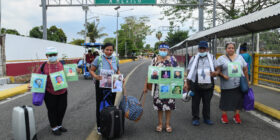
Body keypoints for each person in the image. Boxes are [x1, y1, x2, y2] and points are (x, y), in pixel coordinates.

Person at [28, 47, 68, 136]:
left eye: (54, 54)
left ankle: (59, 124)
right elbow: (37, 78)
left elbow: (67, 75)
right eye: (50, 55)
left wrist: (74, 72)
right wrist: (31, 85)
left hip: (63, 91)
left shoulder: (61, 64)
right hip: (50, 92)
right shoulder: (43, 66)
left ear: (57, 55)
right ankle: (54, 127)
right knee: (52, 110)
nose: (53, 56)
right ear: (47, 56)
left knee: (62, 109)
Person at [143, 43, 179, 133]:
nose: (163, 51)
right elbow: (150, 73)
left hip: (169, 87)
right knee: (159, 107)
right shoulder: (155, 60)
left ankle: (167, 124)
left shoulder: (173, 59)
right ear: (158, 50)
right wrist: (145, 85)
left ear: (168, 51)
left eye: (165, 50)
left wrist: (183, 83)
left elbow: (178, 72)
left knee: (169, 106)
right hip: (158, 88)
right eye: (161, 49)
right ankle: (160, 124)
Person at [89, 43, 121, 135]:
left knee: (111, 104)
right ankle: (100, 125)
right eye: (107, 49)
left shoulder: (115, 59)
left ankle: (109, 122)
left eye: (111, 50)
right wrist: (96, 76)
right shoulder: (98, 59)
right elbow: (91, 70)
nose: (109, 52)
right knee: (100, 105)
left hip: (113, 84)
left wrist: (120, 75)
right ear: (103, 50)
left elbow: (117, 70)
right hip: (101, 85)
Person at [186, 41, 219, 126]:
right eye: (201, 48)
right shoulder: (194, 58)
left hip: (209, 84)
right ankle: (195, 118)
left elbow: (218, 68)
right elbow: (189, 70)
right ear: (198, 49)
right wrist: (187, 83)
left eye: (204, 48)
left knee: (207, 102)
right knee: (195, 102)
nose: (202, 50)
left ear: (207, 49)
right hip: (195, 83)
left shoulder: (212, 57)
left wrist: (216, 73)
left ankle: (207, 118)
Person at [217, 42, 249, 124]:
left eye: (232, 48)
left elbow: (245, 69)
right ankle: (224, 116)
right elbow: (217, 70)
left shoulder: (240, 57)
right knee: (225, 100)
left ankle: (236, 116)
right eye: (229, 48)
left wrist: (247, 81)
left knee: (238, 100)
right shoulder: (221, 58)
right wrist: (223, 75)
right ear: (226, 49)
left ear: (234, 49)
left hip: (239, 83)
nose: (231, 49)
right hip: (226, 84)